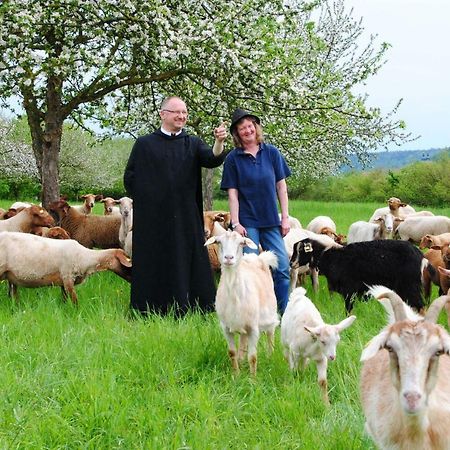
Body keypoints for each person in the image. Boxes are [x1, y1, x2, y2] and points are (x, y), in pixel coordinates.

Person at [124, 96, 227, 315]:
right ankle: (150, 308)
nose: (182, 116)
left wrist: (219, 142)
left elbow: (212, 159)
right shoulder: (144, 144)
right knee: (155, 259)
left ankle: (187, 306)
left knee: (183, 259)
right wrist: (148, 202)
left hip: (184, 217)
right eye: (176, 112)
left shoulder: (193, 143)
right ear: (163, 114)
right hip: (154, 219)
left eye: (184, 112)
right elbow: (131, 179)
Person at [220, 108, 291, 313]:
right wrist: (236, 223)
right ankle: (253, 312)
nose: (247, 130)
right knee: (250, 269)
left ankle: (282, 312)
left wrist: (285, 218)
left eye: (250, 126)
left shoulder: (272, 153)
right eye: (242, 128)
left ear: (256, 128)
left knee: (282, 267)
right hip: (247, 223)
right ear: (237, 134)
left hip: (271, 221)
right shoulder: (233, 159)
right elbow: (232, 194)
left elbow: (281, 187)